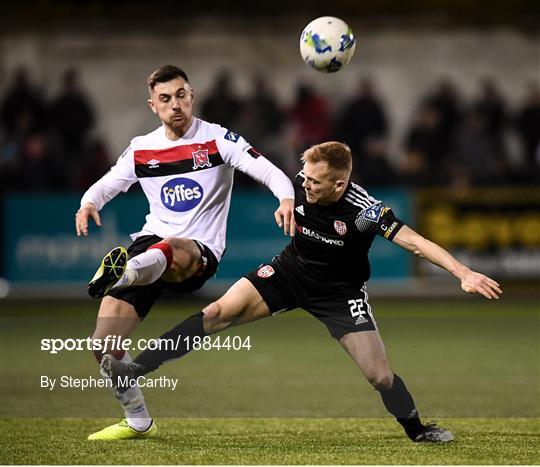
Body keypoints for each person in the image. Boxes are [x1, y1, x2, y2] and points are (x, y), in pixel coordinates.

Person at [102, 141, 502, 443]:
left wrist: (462, 272)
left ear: (340, 183)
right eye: (304, 176)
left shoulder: (363, 210)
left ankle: (416, 429)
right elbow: (273, 177)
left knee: (379, 376)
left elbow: (415, 242)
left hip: (338, 293)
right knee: (218, 312)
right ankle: (135, 369)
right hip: (289, 272)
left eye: (314, 181)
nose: (304, 184)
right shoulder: (299, 184)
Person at [75, 65, 295, 440]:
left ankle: (123, 273)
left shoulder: (217, 140)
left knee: (171, 246)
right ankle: (138, 419)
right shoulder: (142, 148)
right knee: (103, 346)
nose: (175, 104)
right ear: (153, 106)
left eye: (181, 95)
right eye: (165, 99)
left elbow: (269, 171)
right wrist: (87, 203)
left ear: (192, 96)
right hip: (150, 244)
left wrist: (286, 198)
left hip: (198, 251)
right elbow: (108, 183)